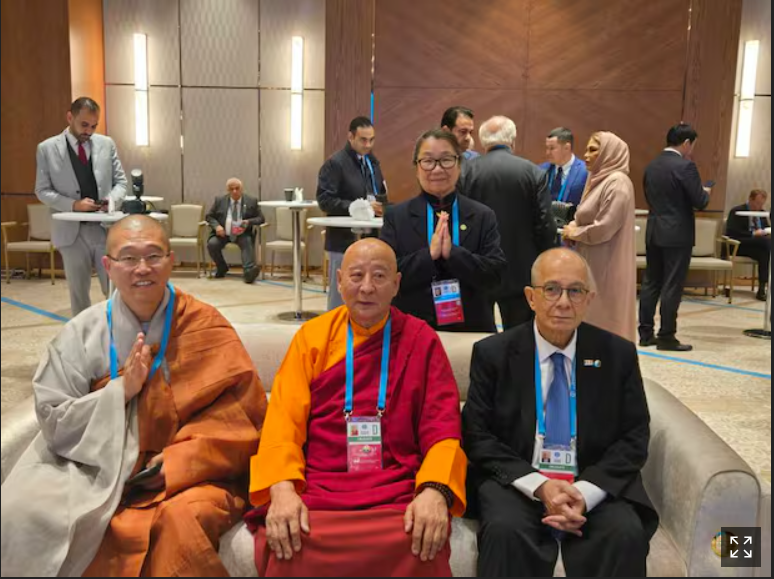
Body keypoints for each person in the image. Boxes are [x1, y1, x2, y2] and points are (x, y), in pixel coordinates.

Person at [1, 215, 268, 577]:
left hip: (186, 475)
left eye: (153, 256)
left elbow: (243, 419)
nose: (142, 268)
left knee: (182, 523)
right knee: (20, 511)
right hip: (92, 466)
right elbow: (54, 418)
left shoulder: (207, 325)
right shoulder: (82, 332)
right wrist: (121, 391)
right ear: (108, 266)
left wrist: (176, 462)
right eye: (128, 258)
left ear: (171, 261)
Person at [246, 238, 467, 577]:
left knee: (417, 541)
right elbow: (282, 423)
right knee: (294, 540)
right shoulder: (312, 338)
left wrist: (435, 490)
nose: (366, 287)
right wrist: (282, 489)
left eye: (379, 276)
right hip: (322, 485)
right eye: (356, 275)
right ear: (338, 281)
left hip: (394, 488)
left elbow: (443, 428)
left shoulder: (421, 340)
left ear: (396, 284)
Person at [463, 248, 658, 577]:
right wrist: (540, 486)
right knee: (505, 532)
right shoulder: (493, 353)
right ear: (531, 297)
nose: (564, 302)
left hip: (592, 481)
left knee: (625, 534)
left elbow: (634, 436)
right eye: (551, 289)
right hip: (519, 483)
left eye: (575, 291)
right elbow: (477, 435)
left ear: (589, 298)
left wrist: (584, 492)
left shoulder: (617, 354)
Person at [381, 129, 506, 332]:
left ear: (459, 164)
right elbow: (386, 276)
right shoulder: (397, 216)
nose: (437, 169)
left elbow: (495, 277)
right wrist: (428, 256)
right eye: (428, 161)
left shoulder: (482, 215)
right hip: (411, 329)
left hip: (470, 328)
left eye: (446, 160)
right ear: (417, 167)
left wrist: (454, 254)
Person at [34, 96, 127, 316]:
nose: (89, 131)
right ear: (70, 117)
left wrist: (110, 201)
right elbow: (42, 190)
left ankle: (118, 332)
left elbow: (121, 183)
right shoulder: (46, 149)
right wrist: (73, 205)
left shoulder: (107, 144)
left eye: (94, 126)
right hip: (71, 234)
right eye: (84, 124)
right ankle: (83, 336)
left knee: (116, 291)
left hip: (105, 230)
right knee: (78, 295)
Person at [461, 116, 556, 330]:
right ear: (512, 140)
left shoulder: (465, 172)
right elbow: (545, 225)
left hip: (478, 267)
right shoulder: (534, 172)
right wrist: (548, 262)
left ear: (483, 141)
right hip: (521, 269)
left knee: (478, 335)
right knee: (519, 335)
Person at [639, 124, 710, 351]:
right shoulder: (686, 166)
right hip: (677, 233)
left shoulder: (652, 165)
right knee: (672, 285)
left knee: (651, 282)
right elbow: (700, 201)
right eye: (693, 145)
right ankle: (667, 337)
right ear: (686, 143)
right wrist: (705, 192)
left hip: (654, 229)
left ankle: (645, 334)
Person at [563, 132, 637, 341]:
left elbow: (605, 227)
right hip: (592, 261)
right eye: (587, 149)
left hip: (607, 264)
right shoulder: (598, 179)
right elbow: (585, 215)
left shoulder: (617, 183)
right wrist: (573, 226)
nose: (586, 155)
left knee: (605, 319)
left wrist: (575, 232)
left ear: (609, 153)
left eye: (593, 150)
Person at [317, 116, 388, 311]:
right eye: (363, 140)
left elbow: (380, 192)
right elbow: (325, 200)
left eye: (371, 140)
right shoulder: (335, 164)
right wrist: (359, 207)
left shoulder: (372, 162)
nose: (368, 145)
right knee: (340, 296)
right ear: (350, 137)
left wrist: (381, 205)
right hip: (343, 240)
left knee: (368, 293)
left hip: (371, 239)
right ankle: (336, 328)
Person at [206, 177, 265, 283]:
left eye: (237, 188)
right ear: (227, 190)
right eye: (231, 189)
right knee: (212, 244)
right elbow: (209, 216)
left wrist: (248, 222)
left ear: (241, 189)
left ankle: (248, 272)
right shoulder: (219, 200)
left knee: (247, 242)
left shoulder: (251, 201)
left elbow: (261, 218)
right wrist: (217, 226)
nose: (234, 191)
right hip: (224, 233)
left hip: (242, 234)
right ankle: (222, 267)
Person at [726, 189, 771, 301]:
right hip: (739, 244)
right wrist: (753, 234)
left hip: (757, 246)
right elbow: (732, 232)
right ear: (750, 199)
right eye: (757, 203)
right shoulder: (737, 211)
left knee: (764, 253)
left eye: (761, 204)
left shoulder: (761, 213)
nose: (759, 207)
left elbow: (766, 228)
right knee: (766, 243)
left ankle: (761, 289)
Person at [540, 127, 588, 206]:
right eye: (547, 148)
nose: (547, 153)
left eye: (552, 148)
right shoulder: (541, 170)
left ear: (567, 148)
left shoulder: (585, 172)